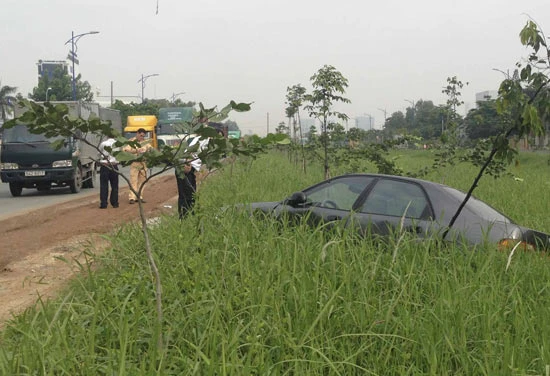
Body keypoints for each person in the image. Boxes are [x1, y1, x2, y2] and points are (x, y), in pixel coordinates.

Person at [123, 128, 153, 204]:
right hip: (135, 163)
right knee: (134, 180)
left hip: (143, 163)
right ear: (137, 134)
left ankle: (139, 196)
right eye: (141, 135)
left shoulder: (145, 142)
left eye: (143, 136)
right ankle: (132, 197)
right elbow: (125, 150)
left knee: (142, 181)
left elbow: (151, 149)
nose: (142, 137)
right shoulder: (131, 141)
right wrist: (136, 151)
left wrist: (148, 152)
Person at [98, 137, 119, 209]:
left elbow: (99, 153)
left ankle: (103, 204)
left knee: (104, 185)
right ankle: (115, 203)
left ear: (107, 136)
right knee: (114, 186)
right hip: (114, 166)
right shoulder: (117, 144)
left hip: (105, 166)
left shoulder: (103, 144)